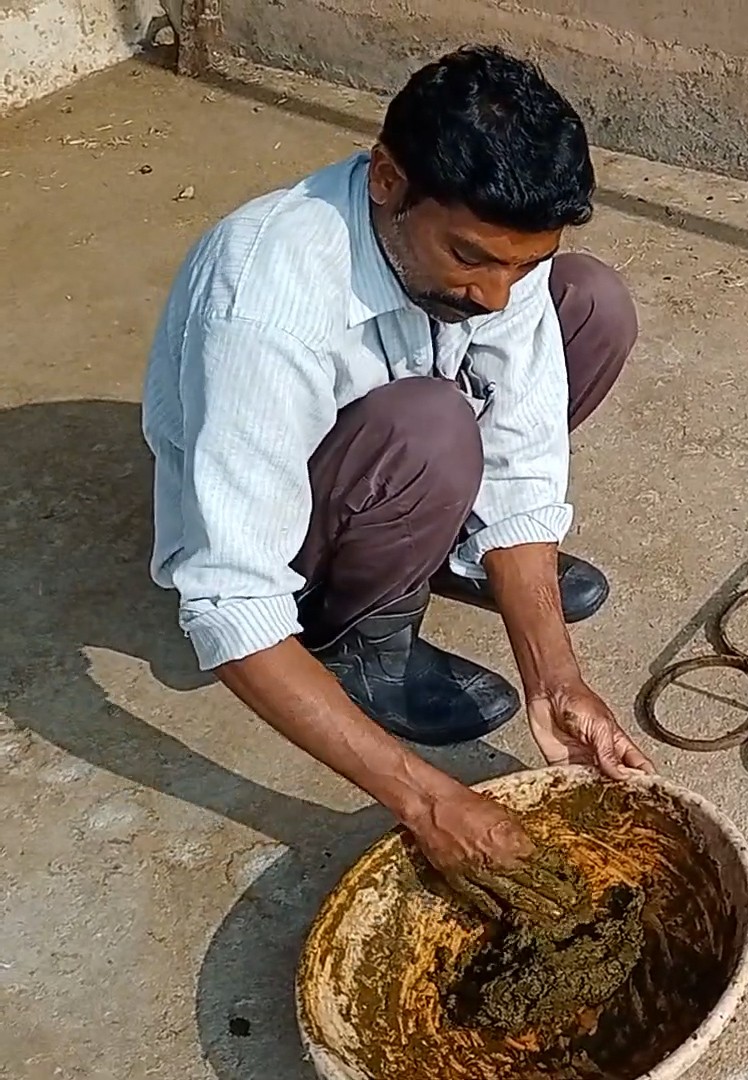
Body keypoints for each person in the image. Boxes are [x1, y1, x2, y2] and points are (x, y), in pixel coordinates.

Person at [141, 44, 650, 911]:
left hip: (403, 438)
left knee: (592, 303)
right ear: (386, 179)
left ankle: (447, 543)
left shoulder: (492, 257)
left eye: (519, 265)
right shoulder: (267, 306)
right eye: (473, 258)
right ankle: (359, 642)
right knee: (431, 429)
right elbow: (227, 599)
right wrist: (424, 798)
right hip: (300, 515)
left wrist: (554, 678)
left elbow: (523, 448)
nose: (496, 295)